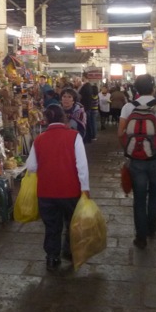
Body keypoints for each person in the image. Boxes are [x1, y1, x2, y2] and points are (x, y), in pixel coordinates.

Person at [26, 104, 90, 271]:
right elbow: (81, 166)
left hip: (46, 192)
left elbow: (31, 166)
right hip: (70, 190)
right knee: (71, 223)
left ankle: (52, 257)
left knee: (52, 226)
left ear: (46, 120)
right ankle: (69, 251)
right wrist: (85, 188)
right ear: (64, 118)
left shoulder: (39, 139)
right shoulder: (74, 136)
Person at [118, 74, 156, 249]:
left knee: (139, 197)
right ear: (153, 88)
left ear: (135, 89)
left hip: (136, 160)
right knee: (154, 194)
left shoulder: (128, 108)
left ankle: (141, 237)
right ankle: (151, 228)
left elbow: (120, 133)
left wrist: (129, 151)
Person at [77, 73, 95, 142]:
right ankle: (89, 137)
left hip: (85, 107)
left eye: (82, 77)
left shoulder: (85, 86)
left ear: (84, 77)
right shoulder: (89, 86)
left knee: (86, 123)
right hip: (88, 106)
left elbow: (81, 96)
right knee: (88, 123)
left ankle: (87, 138)